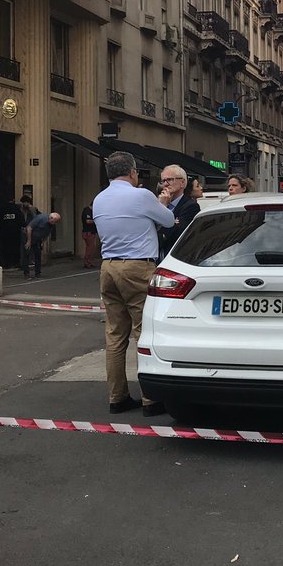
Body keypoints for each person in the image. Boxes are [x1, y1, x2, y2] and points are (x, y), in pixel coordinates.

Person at [93, 151, 175, 415]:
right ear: (131, 172)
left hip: (108, 267)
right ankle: (151, 400)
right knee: (143, 331)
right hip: (138, 266)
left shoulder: (99, 199)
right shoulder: (141, 195)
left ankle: (117, 397)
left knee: (116, 335)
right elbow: (168, 220)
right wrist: (163, 200)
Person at [157, 164, 200, 261]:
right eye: (163, 181)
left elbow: (176, 236)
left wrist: (163, 210)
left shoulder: (191, 206)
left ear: (182, 183)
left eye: (170, 180)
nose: (166, 184)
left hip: (176, 260)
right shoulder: (158, 204)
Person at [22, 210, 60, 279]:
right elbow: (29, 228)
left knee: (38, 255)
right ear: (51, 218)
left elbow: (47, 233)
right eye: (54, 221)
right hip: (28, 236)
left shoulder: (51, 225)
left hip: (38, 239)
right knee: (26, 255)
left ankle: (37, 273)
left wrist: (42, 242)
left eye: (56, 222)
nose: (54, 223)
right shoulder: (40, 218)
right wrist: (29, 241)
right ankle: (26, 274)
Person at [0, 196, 25, 268]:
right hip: (15, 233)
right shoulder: (17, 209)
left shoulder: (2, 209)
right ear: (13, 200)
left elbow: (0, 221)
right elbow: (21, 220)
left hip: (4, 233)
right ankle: (14, 262)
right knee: (15, 248)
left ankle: (5, 263)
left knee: (5, 248)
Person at [81, 203, 99, 269]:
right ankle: (87, 262)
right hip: (88, 232)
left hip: (90, 232)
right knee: (90, 248)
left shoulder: (90, 211)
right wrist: (97, 221)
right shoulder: (87, 211)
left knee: (91, 247)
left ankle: (89, 261)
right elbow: (88, 221)